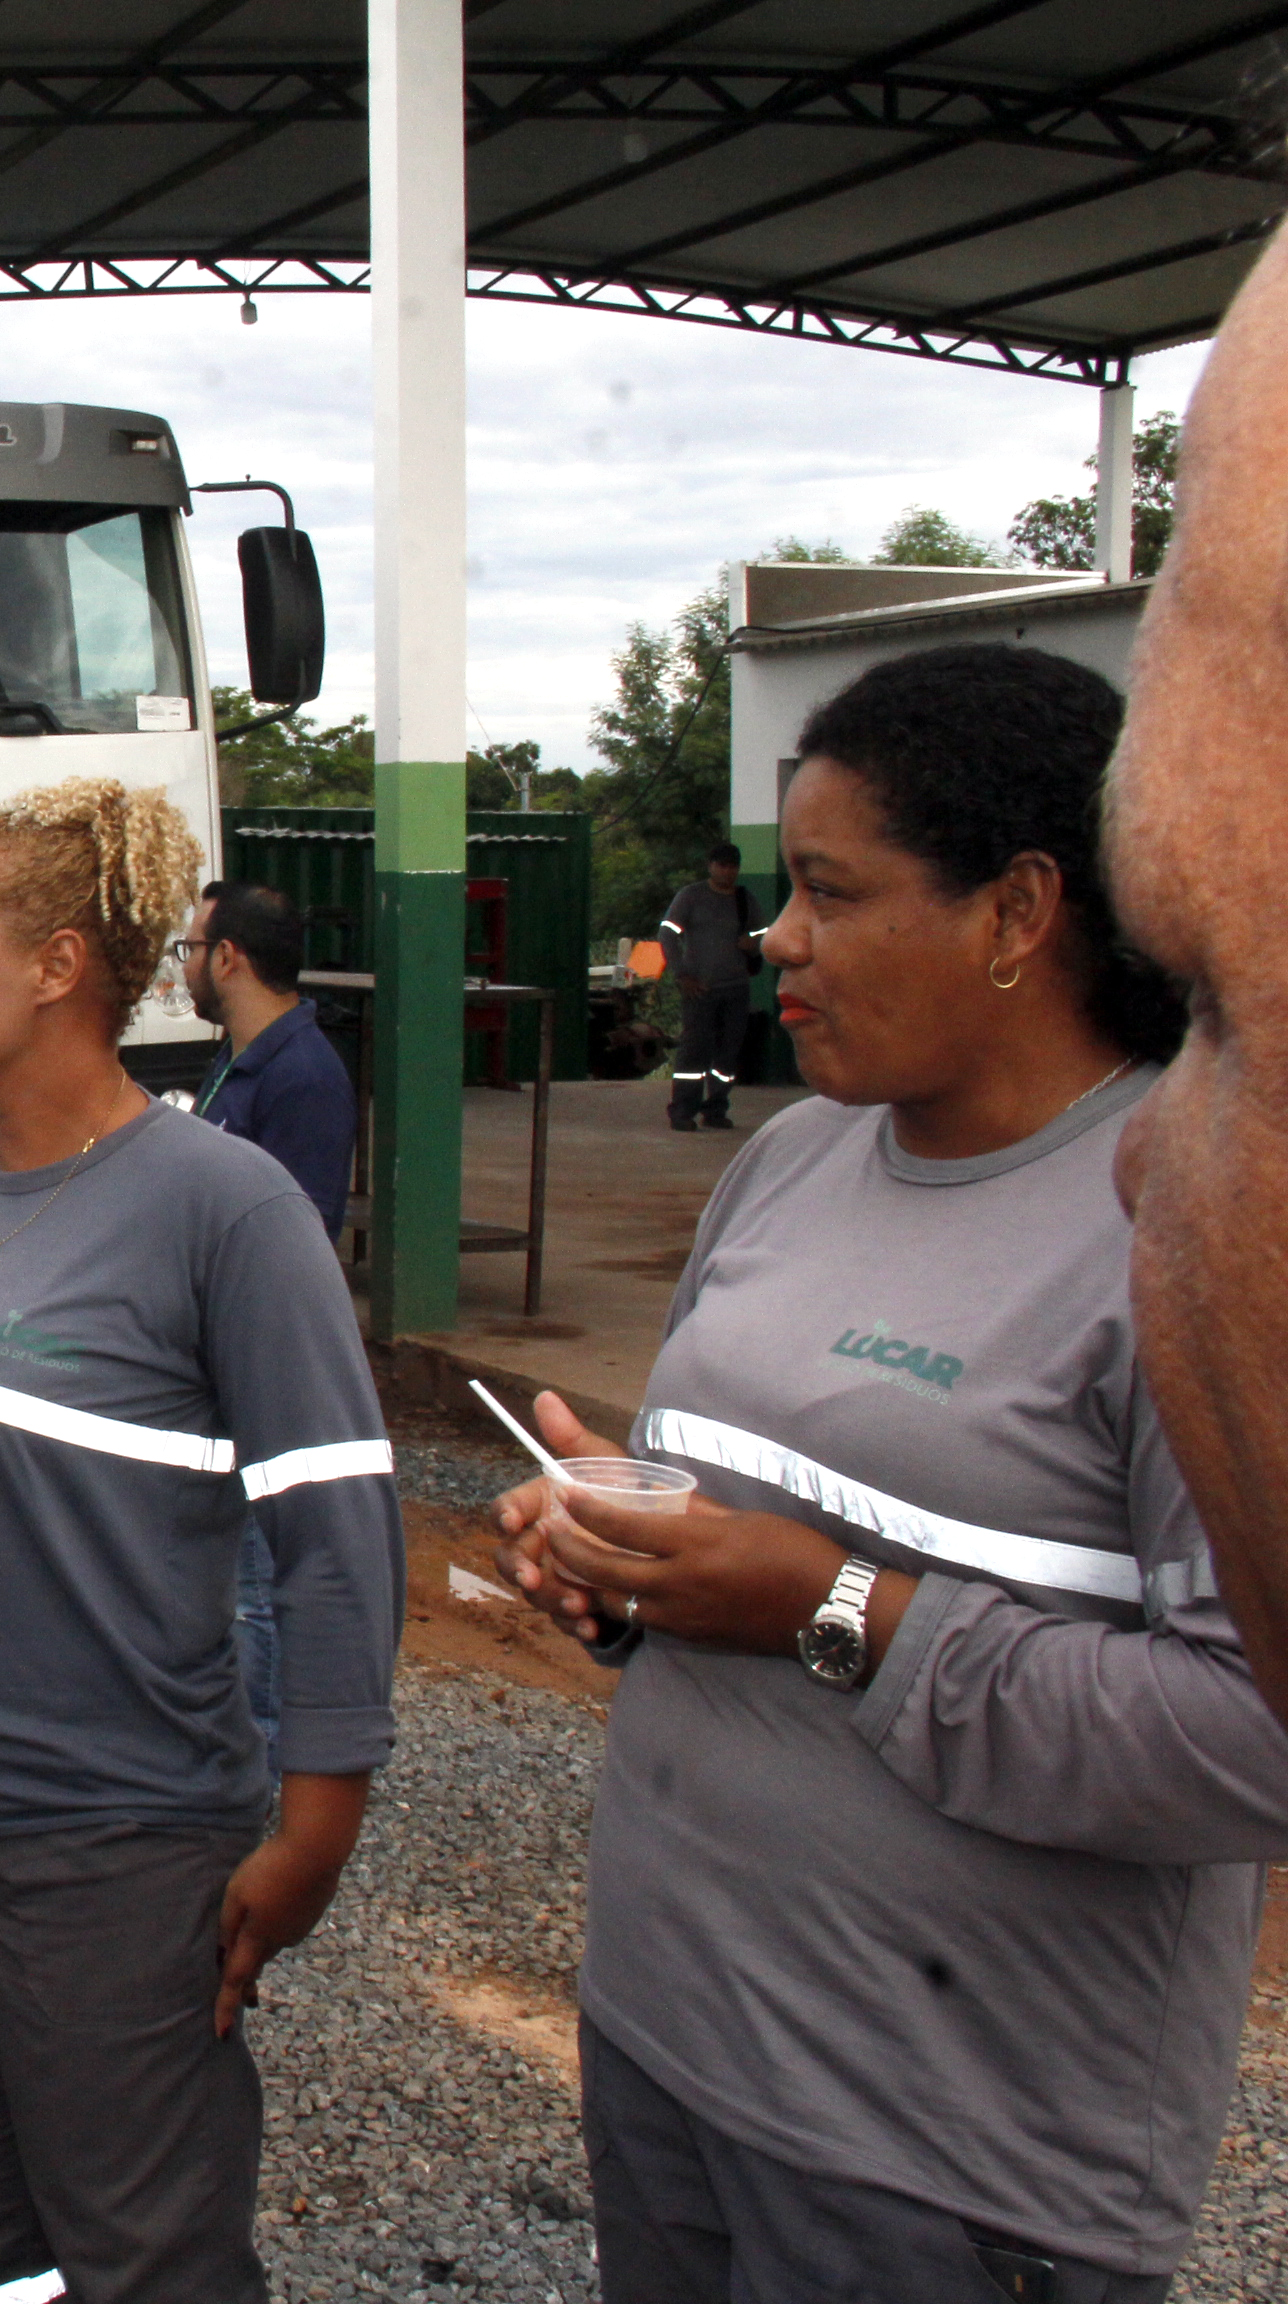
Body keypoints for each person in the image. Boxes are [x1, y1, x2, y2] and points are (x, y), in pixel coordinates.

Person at [491, 643, 1288, 2301]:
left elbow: (1250, 1740)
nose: (775, 937)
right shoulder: (793, 1158)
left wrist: (828, 1604)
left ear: (1017, 912)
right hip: (668, 2043)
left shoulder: (1195, 1234)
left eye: (831, 891)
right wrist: (623, 1553)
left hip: (942, 2164)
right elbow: (756, 1522)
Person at [0, 778, 404, 2303]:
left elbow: (334, 1533)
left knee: (140, 2236)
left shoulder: (227, 1209)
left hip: (110, 1839)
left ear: (57, 966)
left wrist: (317, 1827)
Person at [1110, 230, 1288, 1724]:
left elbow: (1213, 1726)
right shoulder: (793, 1172)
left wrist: (837, 1611)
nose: (1122, 1166)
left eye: (1216, 1007)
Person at [180, 878, 356, 1768]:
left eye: (190, 949)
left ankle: (270, 1763)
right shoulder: (237, 1058)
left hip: (260, 1369)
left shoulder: (303, 1077)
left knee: (259, 1585)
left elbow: (300, 1240)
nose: (183, 966)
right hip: (213, 1360)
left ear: (228, 959)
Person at [658, 841, 763, 1131]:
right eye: (722, 865)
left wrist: (754, 943)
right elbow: (667, 934)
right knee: (694, 1052)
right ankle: (683, 1111)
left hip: (736, 988)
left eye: (733, 866)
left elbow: (764, 934)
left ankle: (716, 1109)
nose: (727, 872)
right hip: (700, 990)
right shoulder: (691, 896)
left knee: (728, 1054)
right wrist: (682, 975)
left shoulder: (745, 900)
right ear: (711, 866)